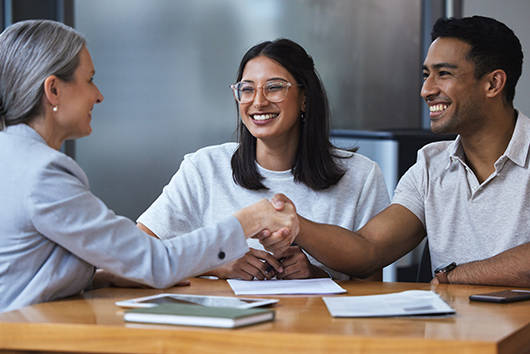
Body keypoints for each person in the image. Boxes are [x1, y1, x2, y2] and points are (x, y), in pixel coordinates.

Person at [0, 20, 298, 313]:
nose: (99, 95)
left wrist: (103, 276)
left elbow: (29, 269)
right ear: (53, 90)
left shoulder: (12, 156)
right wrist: (248, 220)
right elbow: (157, 263)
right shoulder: (44, 174)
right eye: (90, 79)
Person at [265, 15, 530, 287]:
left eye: (444, 73)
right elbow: (368, 249)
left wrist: (455, 276)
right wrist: (295, 224)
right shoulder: (431, 166)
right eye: (427, 75)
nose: (426, 90)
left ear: (493, 84)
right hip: (456, 329)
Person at [137, 38, 390, 280]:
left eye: (274, 87)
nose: (258, 102)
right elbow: (141, 250)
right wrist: (215, 262)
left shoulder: (361, 175)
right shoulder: (204, 168)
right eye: (247, 89)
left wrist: (314, 274)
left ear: (305, 98)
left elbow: (370, 284)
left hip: (314, 324)